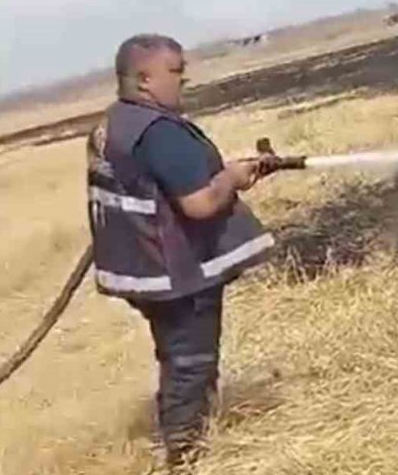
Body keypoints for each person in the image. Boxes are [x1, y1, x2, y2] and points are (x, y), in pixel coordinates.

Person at [84, 33, 277, 470]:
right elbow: (200, 203)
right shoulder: (158, 132)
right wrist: (229, 178)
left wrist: (225, 175)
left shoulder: (118, 121)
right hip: (174, 273)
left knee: (177, 359)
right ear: (144, 79)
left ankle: (187, 442)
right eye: (175, 71)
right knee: (191, 363)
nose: (183, 79)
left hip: (146, 269)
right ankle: (186, 458)